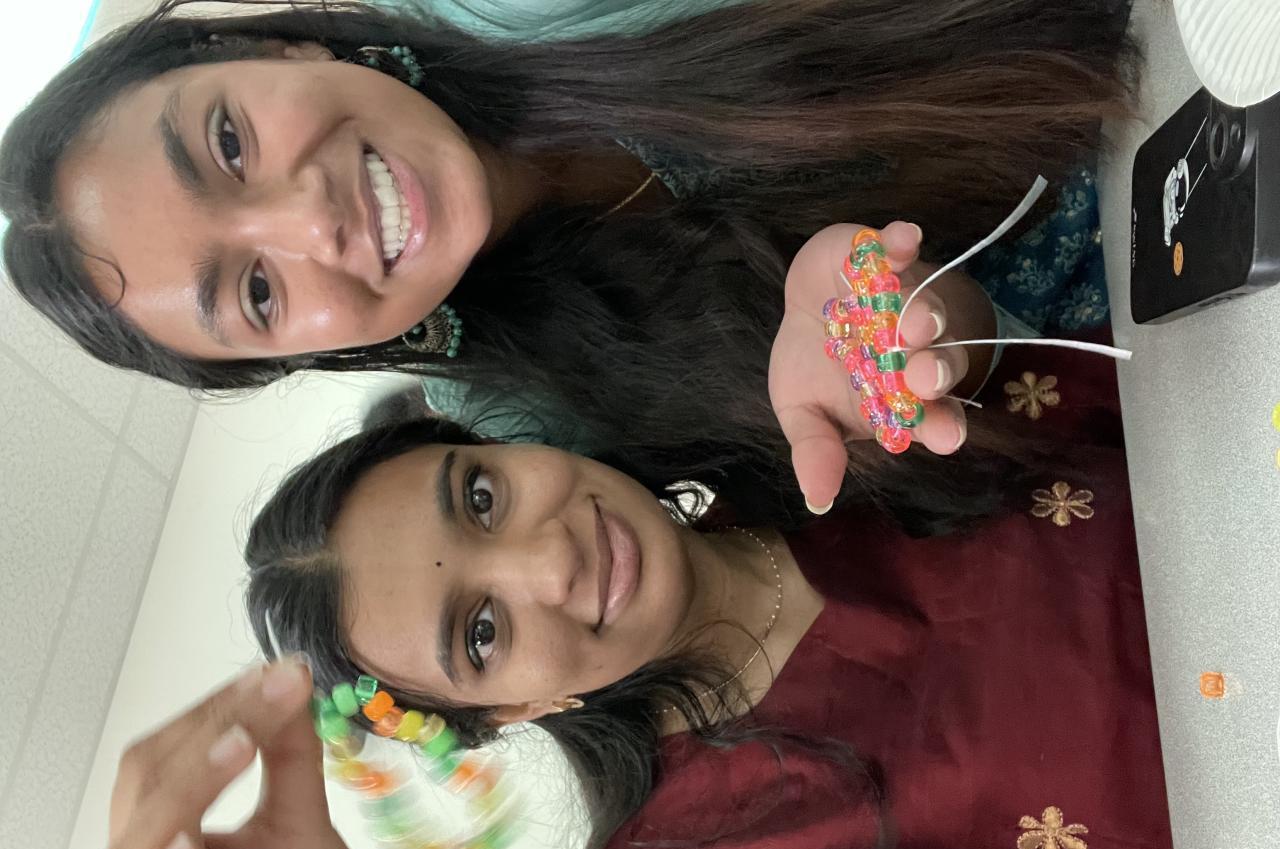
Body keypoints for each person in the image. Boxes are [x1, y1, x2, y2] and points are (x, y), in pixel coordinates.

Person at [93, 338, 1183, 849]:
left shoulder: (784, 396)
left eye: (481, 498)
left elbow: (1126, 375)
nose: (548, 561)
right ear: (507, 716)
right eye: (481, 632)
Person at [1, 0, 1135, 521]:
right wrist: (914, 328)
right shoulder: (526, 425)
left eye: (228, 141)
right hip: (1160, 324)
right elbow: (987, 382)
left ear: (280, 44)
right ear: (297, 354)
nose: (312, 224)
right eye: (255, 291)